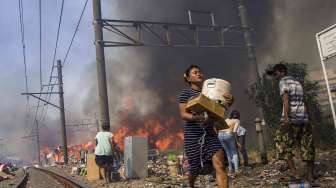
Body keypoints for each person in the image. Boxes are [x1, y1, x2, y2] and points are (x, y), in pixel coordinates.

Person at [178, 65, 233, 188]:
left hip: (209, 133)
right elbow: (183, 114)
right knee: (194, 168)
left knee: (220, 165)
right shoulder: (185, 93)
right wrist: (196, 118)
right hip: (193, 134)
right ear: (188, 78)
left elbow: (220, 107)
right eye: (195, 73)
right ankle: (191, 185)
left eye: (200, 72)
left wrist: (230, 100)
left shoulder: (210, 92)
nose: (199, 74)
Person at [266, 63, 315, 182]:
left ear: (282, 71)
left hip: (291, 119)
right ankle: (310, 176)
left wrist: (287, 118)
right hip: (303, 119)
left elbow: (286, 99)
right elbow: (304, 101)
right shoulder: (297, 82)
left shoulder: (283, 81)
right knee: (307, 147)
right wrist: (308, 118)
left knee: (281, 143)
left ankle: (295, 173)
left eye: (276, 73)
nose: (275, 77)